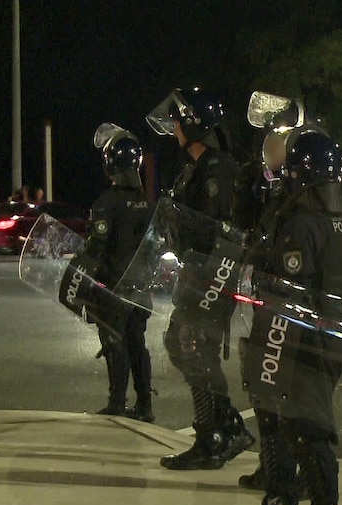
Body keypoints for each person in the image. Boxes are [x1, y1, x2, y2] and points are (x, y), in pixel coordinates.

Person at [229, 131, 342, 505]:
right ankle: (279, 503)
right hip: (328, 336)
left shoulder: (303, 222)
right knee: (283, 418)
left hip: (300, 337)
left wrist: (260, 277)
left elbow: (290, 287)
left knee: (307, 429)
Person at [147, 87, 255, 470]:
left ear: (194, 125)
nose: (174, 127)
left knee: (193, 348)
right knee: (185, 346)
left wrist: (213, 280)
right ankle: (225, 428)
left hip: (211, 275)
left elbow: (223, 231)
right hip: (195, 273)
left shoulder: (218, 167)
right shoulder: (196, 165)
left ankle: (213, 438)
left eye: (179, 120)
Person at [86, 124, 155, 422]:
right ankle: (145, 405)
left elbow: (96, 249)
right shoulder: (149, 204)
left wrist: (87, 283)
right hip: (140, 288)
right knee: (138, 344)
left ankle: (117, 401)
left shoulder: (107, 203)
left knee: (115, 342)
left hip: (113, 286)